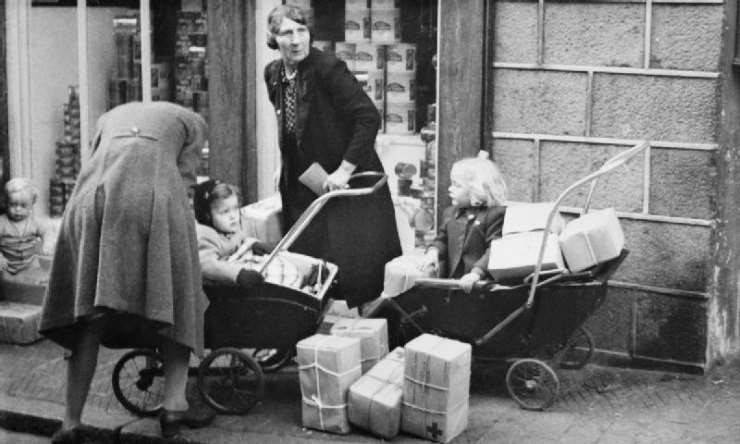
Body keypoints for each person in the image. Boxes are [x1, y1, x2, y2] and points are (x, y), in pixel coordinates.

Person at [39, 102, 214, 442]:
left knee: (86, 315)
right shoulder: (193, 123)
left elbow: (96, 161)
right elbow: (184, 181)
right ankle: (173, 410)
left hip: (89, 205)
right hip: (152, 203)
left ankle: (70, 424)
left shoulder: (107, 118)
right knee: (178, 301)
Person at [264, 5, 401, 308]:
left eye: (302, 31)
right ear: (274, 38)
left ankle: (367, 335)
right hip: (305, 179)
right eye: (288, 33)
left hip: (346, 180)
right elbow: (287, 124)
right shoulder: (273, 73)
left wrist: (344, 170)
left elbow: (368, 118)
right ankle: (313, 331)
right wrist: (281, 164)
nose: (297, 40)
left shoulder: (327, 69)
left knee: (356, 266)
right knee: (308, 259)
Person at [421, 152, 508, 292]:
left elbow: (494, 249)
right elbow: (442, 239)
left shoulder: (494, 214)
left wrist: (476, 273)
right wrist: (433, 252)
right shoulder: (451, 213)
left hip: (479, 285)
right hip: (452, 282)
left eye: (457, 185)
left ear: (476, 189)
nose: (450, 189)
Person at [192, 179, 268, 287]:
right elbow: (206, 265)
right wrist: (238, 274)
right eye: (225, 212)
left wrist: (255, 244)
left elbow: (241, 240)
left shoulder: (228, 227)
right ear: (207, 216)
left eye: (235, 208)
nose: (233, 216)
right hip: (217, 291)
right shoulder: (205, 236)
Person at [0, 178, 55, 275]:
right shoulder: (2, 222)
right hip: (7, 268)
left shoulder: (34, 221)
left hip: (31, 266)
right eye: (13, 204)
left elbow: (47, 231)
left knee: (37, 282)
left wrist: (48, 243)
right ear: (5, 203)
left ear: (31, 205)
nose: (18, 209)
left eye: (23, 205)